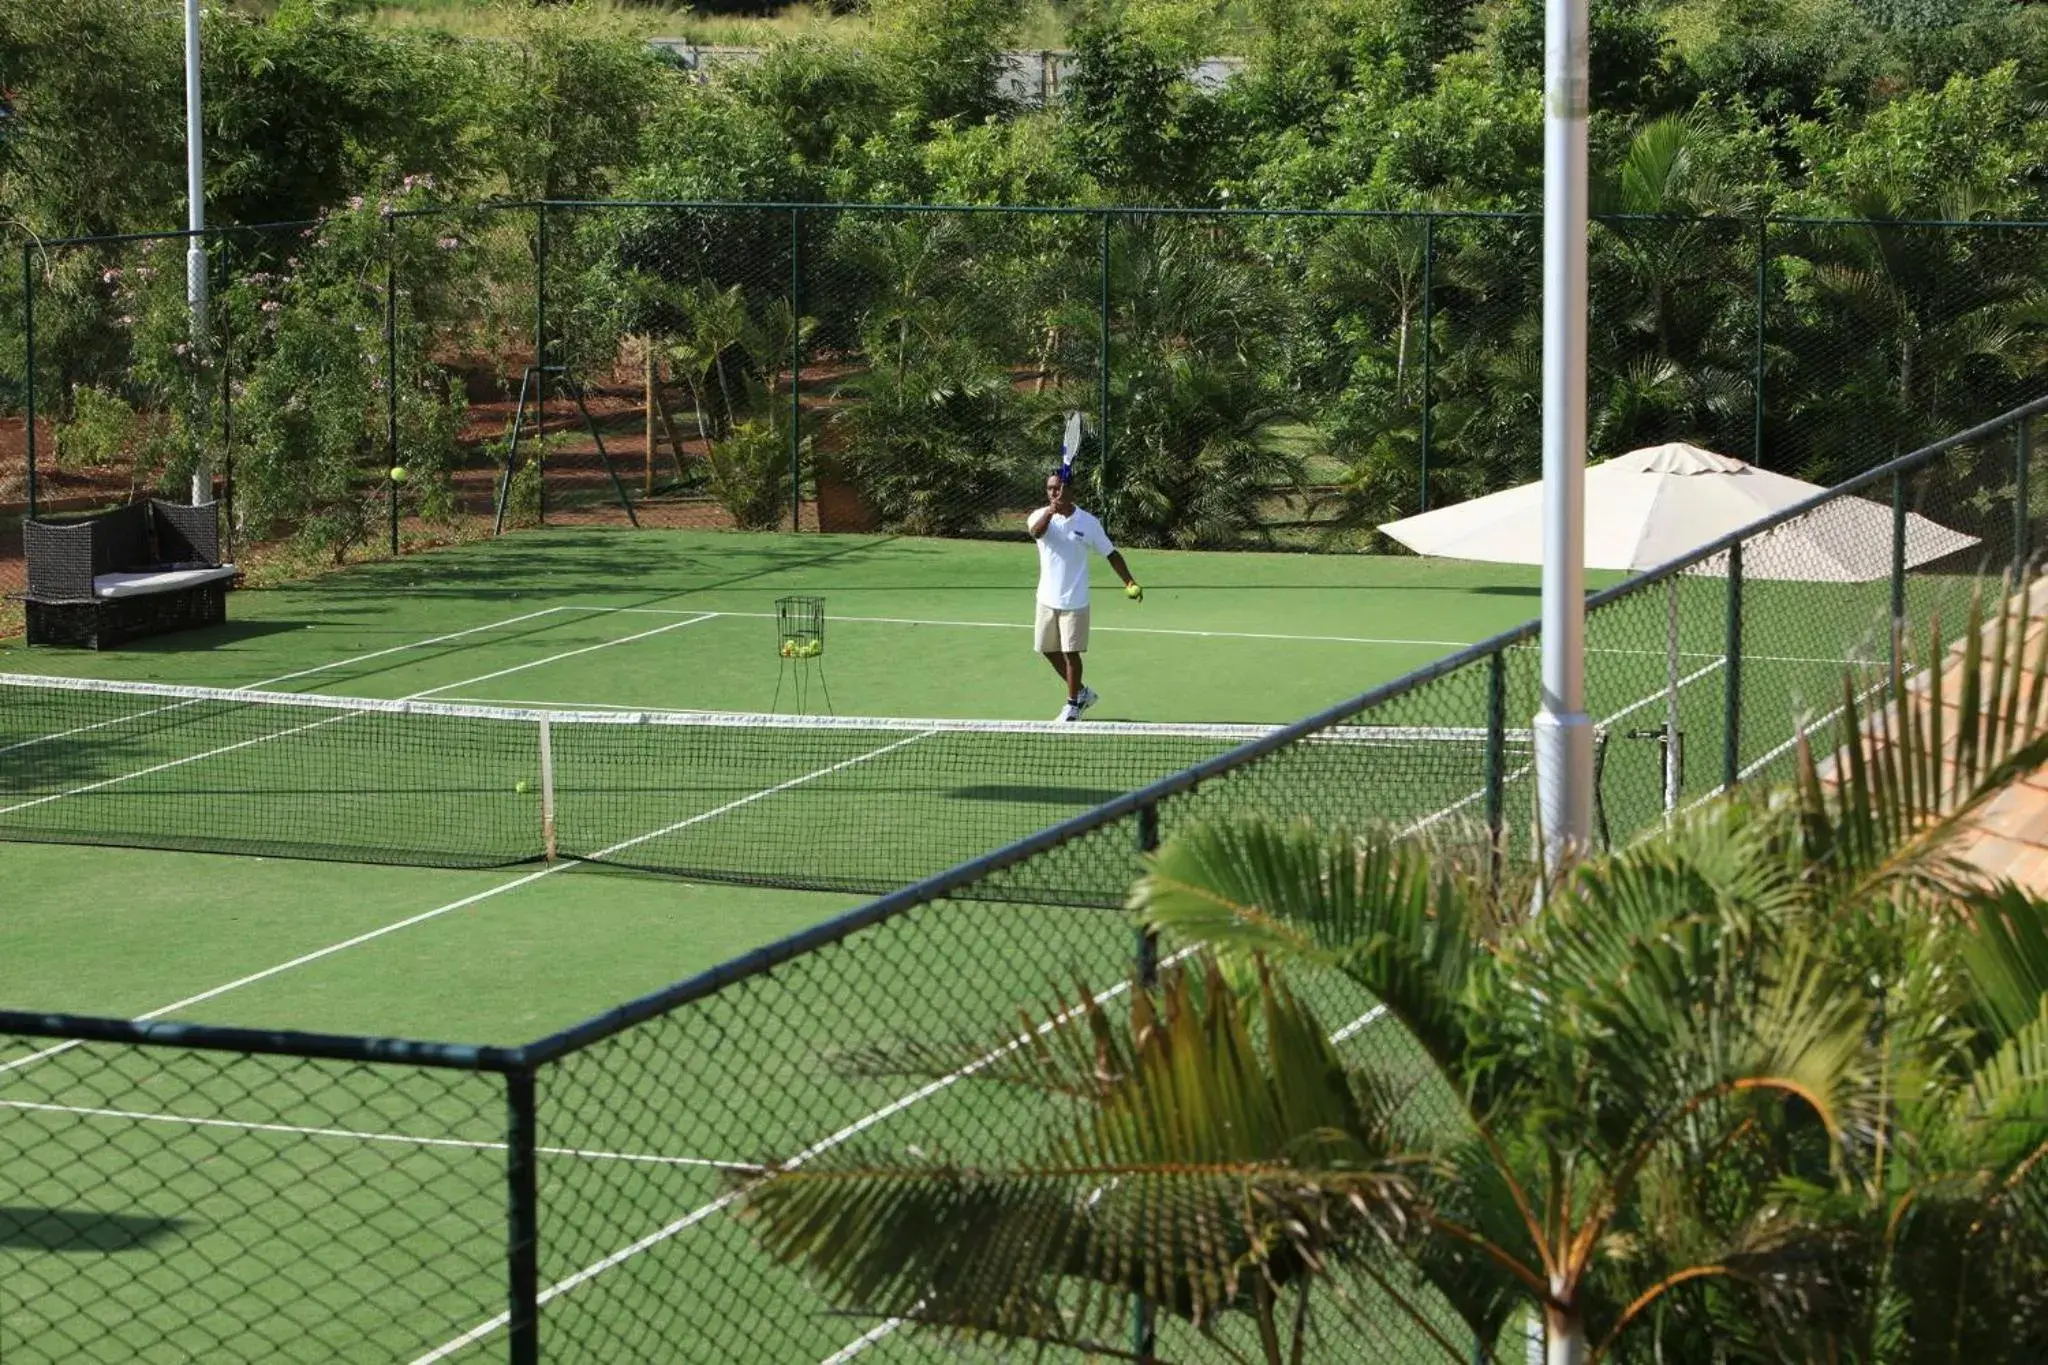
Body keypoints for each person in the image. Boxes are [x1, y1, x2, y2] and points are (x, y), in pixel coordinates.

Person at [1027, 470, 1141, 723]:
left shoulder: (1088, 523)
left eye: (1058, 488)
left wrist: (1129, 581)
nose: (1053, 493)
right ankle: (1082, 693)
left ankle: (1072, 706)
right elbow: (1036, 533)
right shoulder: (1039, 516)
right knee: (1047, 649)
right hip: (1046, 598)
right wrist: (1049, 511)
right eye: (1049, 488)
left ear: (1071, 491)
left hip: (1075, 601)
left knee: (1071, 653)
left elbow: (1111, 553)